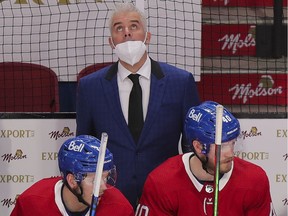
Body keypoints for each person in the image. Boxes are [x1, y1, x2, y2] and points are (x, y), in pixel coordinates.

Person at [76, 2, 200, 209]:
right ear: (111, 42)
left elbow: (192, 147)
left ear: (147, 36)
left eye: (134, 26)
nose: (127, 33)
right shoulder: (90, 87)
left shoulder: (180, 82)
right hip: (110, 197)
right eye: (119, 28)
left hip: (165, 195)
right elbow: (84, 147)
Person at [136, 101, 275, 216]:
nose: (231, 153)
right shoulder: (161, 182)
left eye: (232, 143)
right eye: (223, 146)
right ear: (198, 146)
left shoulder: (254, 179)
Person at [10, 135, 134, 216]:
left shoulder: (120, 208)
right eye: (95, 180)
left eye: (105, 177)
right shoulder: (31, 203)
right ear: (72, 180)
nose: (104, 187)